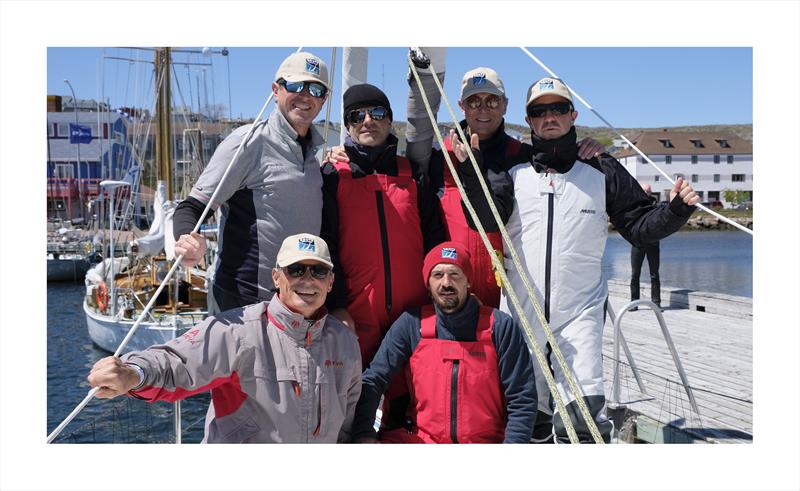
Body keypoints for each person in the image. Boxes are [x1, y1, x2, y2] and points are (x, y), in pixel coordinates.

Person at [481, 76, 699, 443]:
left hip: (579, 315)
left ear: (573, 114)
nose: (550, 116)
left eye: (559, 108)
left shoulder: (601, 170)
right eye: (539, 111)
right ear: (530, 120)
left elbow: (639, 226)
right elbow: (481, 211)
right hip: (522, 315)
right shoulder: (512, 174)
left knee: (581, 419)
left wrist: (676, 210)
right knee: (526, 417)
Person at [87, 233, 362, 443]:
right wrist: (133, 373)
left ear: (330, 282)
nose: (308, 279)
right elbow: (178, 363)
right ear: (277, 277)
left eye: (318, 271)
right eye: (296, 270)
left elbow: (347, 423)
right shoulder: (239, 330)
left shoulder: (345, 343)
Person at [411, 65, 605, 308]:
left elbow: (562, 163)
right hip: (454, 294)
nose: (483, 109)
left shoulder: (524, 156)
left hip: (511, 298)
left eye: (492, 101)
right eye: (474, 102)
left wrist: (591, 147)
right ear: (461, 106)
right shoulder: (439, 157)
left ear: (505, 104)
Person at [320, 83, 445, 430]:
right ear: (347, 126)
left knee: (407, 411)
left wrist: (439, 296)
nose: (367, 121)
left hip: (413, 315)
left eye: (377, 114)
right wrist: (338, 305)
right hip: (356, 317)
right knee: (351, 409)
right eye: (356, 116)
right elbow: (326, 245)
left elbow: (437, 240)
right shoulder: (333, 177)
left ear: (391, 122)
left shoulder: (412, 175)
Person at [173, 51, 330, 314]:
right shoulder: (247, 143)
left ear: (324, 100)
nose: (305, 95)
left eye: (315, 89)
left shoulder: (315, 156)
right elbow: (192, 207)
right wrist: (187, 239)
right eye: (294, 85)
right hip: (242, 301)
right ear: (275, 90)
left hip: (296, 302)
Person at [350, 241, 537, 443]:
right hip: (422, 441)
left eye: (455, 274)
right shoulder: (412, 324)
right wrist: (363, 435)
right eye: (437, 275)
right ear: (428, 284)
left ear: (468, 281)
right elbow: (373, 379)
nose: (446, 282)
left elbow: (522, 398)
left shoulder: (499, 327)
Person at [630, 183, 662, 311]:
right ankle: (634, 303)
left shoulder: (656, 205)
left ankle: (656, 303)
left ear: (651, 192)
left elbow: (660, 222)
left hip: (653, 243)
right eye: (644, 190)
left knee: (654, 274)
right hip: (637, 243)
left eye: (648, 191)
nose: (646, 192)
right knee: (635, 274)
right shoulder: (634, 204)